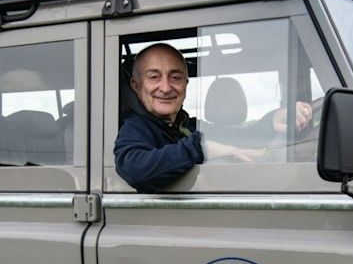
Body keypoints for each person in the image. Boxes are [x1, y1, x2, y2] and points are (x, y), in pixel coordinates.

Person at [114, 43, 312, 193]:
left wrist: (272, 122)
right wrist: (202, 147)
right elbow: (133, 168)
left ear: (185, 84)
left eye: (175, 77)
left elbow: (234, 135)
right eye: (154, 77)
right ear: (136, 85)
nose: (165, 88)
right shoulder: (135, 126)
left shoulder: (185, 125)